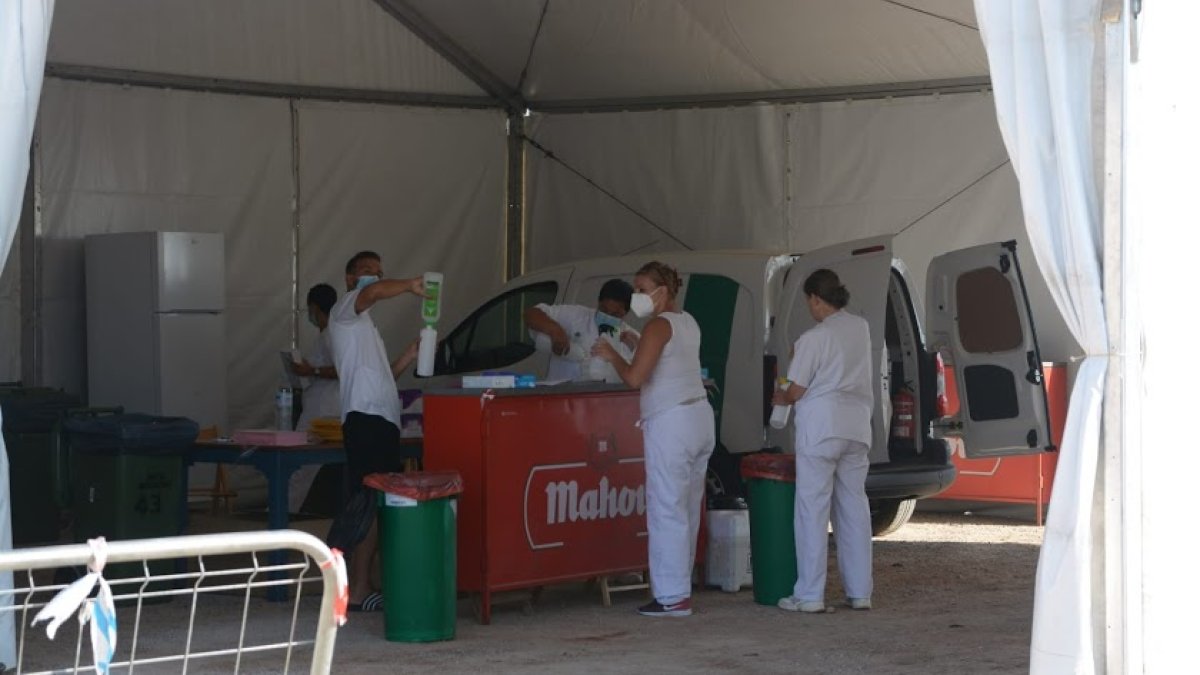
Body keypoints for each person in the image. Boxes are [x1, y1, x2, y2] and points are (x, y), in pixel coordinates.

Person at [592, 262, 714, 617]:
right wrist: (635, 342)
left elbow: (634, 378)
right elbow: (668, 361)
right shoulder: (687, 321)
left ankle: (672, 596)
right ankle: (680, 587)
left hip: (671, 422)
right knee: (688, 508)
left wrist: (612, 353)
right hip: (699, 417)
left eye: (642, 289)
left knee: (667, 509)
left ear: (663, 291)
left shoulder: (658, 325)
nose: (637, 296)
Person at [772, 269, 874, 613]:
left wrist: (780, 396)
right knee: (854, 509)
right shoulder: (860, 327)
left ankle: (810, 594)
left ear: (816, 299)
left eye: (809, 302)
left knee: (812, 510)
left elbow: (795, 389)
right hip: (857, 427)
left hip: (821, 429)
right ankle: (860, 592)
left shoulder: (814, 338)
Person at [328, 250, 423, 612]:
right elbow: (373, 294)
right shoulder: (346, 310)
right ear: (350, 279)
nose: (375, 277)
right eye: (367, 272)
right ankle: (358, 586)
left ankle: (367, 583)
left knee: (378, 504)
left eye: (379, 272)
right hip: (365, 419)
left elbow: (384, 378)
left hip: (382, 420)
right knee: (368, 503)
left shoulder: (365, 328)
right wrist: (407, 286)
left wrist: (407, 357)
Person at [286, 283, 341, 513]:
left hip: (322, 410)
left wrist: (311, 371)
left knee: (300, 465)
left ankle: (286, 510)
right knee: (304, 466)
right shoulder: (327, 335)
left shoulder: (332, 335)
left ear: (315, 308)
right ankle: (290, 508)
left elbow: (341, 369)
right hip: (319, 404)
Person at [525, 279, 640, 382]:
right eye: (604, 310)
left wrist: (634, 348)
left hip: (603, 401)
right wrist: (555, 331)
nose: (608, 316)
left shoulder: (631, 339)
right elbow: (531, 314)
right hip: (562, 396)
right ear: (598, 303)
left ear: (626, 313)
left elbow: (639, 376)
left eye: (615, 314)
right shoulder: (577, 316)